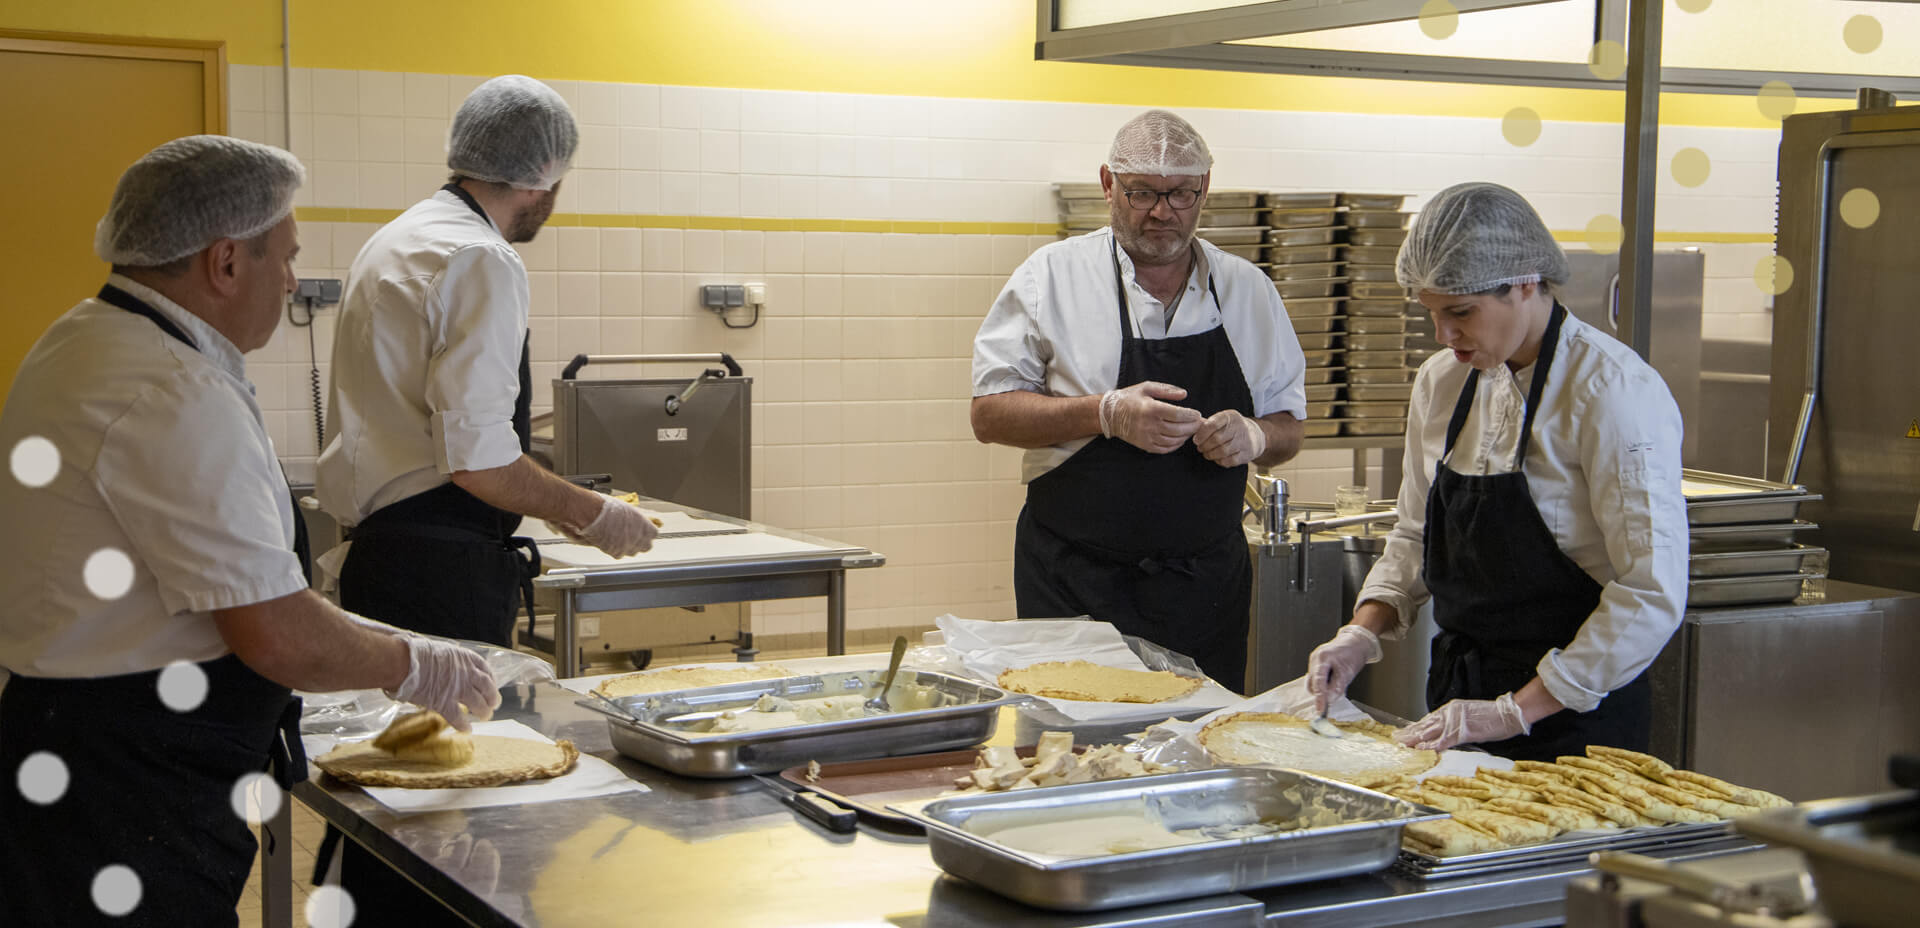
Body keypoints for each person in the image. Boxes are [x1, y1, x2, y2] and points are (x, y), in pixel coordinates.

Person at [0, 136, 499, 926]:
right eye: (287, 257)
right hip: (126, 780)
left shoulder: (85, 340)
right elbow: (276, 635)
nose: (295, 281)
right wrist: (413, 663)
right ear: (227, 263)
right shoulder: (171, 391)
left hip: (72, 745)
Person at [1304, 181, 1688, 761]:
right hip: (1458, 704)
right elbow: (1415, 534)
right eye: (1431, 314)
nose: (1444, 336)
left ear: (1526, 281)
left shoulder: (1611, 391)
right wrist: (1362, 631)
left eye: (1461, 312)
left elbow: (1650, 591)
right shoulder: (1441, 382)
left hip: (1575, 719)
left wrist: (1516, 710)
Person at [970, 110, 1308, 692]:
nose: (1162, 212)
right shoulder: (1051, 278)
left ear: (1205, 188)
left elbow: (1289, 428)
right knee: (1071, 747)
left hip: (1203, 589)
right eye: (1142, 192)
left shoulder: (1248, 290)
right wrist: (1104, 413)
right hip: (1074, 581)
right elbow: (989, 412)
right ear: (1108, 184)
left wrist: (1254, 436)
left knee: (1196, 752)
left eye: (1181, 194)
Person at [318, 74, 657, 649]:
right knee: (456, 739)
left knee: (405, 739)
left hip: (382, 556)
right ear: (544, 177)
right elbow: (479, 463)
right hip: (441, 575)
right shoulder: (482, 258)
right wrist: (591, 513)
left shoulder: (398, 237)